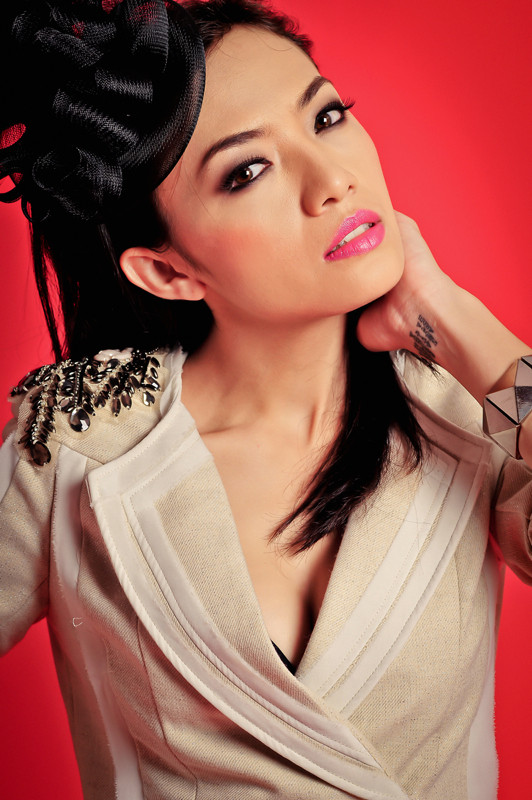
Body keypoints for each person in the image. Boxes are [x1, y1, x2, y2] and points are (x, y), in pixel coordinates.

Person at [1, 1, 531, 798]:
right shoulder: (82, 440)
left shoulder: (466, 413)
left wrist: (460, 325)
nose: (333, 180)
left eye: (326, 117)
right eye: (247, 171)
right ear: (168, 271)